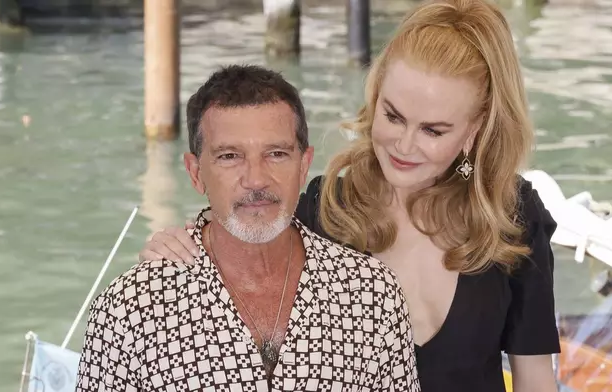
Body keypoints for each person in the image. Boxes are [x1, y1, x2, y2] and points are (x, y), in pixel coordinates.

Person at [138, 0, 562, 391]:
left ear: (475, 129)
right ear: (374, 97)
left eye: (433, 130)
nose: (404, 145)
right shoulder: (322, 210)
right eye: (393, 116)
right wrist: (175, 248)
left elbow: (534, 380)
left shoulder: (515, 216)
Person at [76, 65, 420, 392]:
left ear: (303, 166)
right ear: (196, 173)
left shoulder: (373, 296)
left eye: (276, 154)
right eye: (230, 156)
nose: (256, 179)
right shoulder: (130, 311)